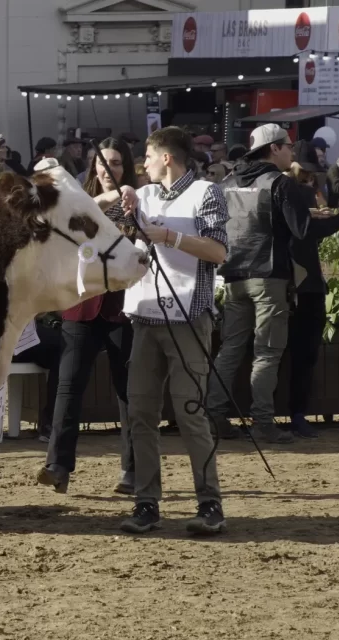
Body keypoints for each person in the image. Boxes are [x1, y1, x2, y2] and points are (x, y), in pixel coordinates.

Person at [209, 124, 339, 444]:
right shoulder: (279, 182)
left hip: (234, 276)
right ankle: (264, 422)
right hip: (269, 277)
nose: (291, 150)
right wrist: (331, 216)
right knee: (267, 352)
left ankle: (215, 415)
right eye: (287, 145)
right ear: (273, 149)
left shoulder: (228, 182)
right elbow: (301, 231)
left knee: (231, 349)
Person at [118, 126, 229, 535]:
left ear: (166, 156)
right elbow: (112, 228)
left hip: (188, 317)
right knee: (140, 413)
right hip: (144, 316)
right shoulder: (142, 195)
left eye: (147, 155)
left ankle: (209, 503)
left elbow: (218, 251)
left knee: (190, 412)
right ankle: (146, 502)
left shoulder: (205, 192)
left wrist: (169, 236)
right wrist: (124, 204)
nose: (141, 163)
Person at [36, 137, 138, 495]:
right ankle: (58, 466)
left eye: (117, 162)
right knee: (68, 387)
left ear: (127, 166)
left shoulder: (136, 202)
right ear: (95, 166)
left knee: (128, 392)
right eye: (104, 162)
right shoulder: (80, 198)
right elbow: (71, 221)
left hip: (123, 308)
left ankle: (132, 470)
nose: (109, 169)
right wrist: (109, 197)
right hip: (81, 307)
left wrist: (128, 202)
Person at [286, 140, 339, 438]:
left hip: (291, 281)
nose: (311, 178)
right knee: (303, 352)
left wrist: (316, 214)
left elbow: (299, 225)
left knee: (283, 353)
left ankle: (292, 413)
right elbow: (304, 231)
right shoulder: (293, 189)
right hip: (301, 284)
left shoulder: (285, 188)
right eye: (307, 172)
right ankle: (297, 413)